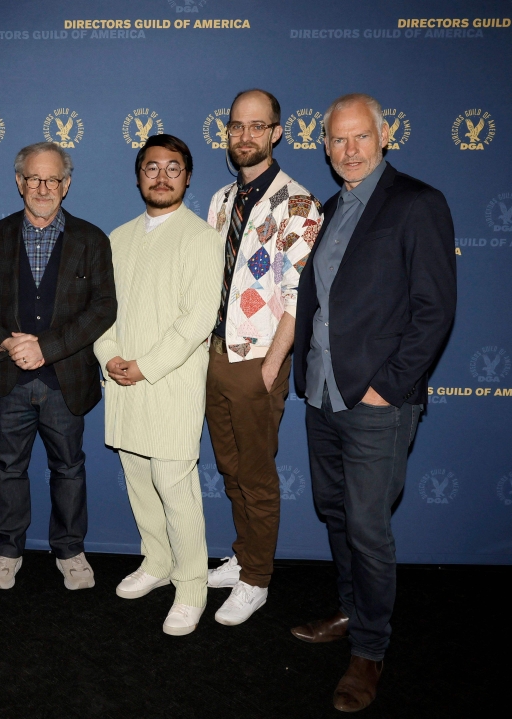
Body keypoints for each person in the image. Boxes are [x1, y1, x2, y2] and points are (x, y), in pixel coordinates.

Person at [292, 93, 457, 712]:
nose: (350, 150)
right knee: (334, 511)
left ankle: (369, 650)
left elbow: (434, 309)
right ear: (326, 147)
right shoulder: (330, 210)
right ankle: (349, 608)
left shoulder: (417, 203)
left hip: (377, 401)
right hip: (322, 393)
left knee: (367, 527)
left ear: (384, 137)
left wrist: (389, 386)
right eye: (338, 140)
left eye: (361, 137)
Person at [0, 142, 116, 590]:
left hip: (64, 379)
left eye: (53, 179)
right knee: (8, 466)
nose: (43, 188)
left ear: (66, 185)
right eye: (34, 178)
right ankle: (7, 549)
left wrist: (46, 348)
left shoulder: (91, 239)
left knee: (68, 467)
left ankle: (70, 550)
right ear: (19, 182)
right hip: (10, 377)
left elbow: (103, 308)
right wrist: (7, 344)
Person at [94, 135, 223, 636]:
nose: (162, 176)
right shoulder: (117, 238)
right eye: (152, 167)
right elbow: (100, 313)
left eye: (173, 168)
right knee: (138, 480)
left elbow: (196, 322)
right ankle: (157, 561)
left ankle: (192, 586)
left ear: (187, 177)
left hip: (171, 385)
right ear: (138, 176)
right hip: (123, 383)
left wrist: (145, 365)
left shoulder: (201, 239)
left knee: (175, 487)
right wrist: (109, 357)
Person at [204, 89, 323, 625]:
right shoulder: (221, 200)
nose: (245, 136)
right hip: (213, 356)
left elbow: (302, 298)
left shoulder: (298, 204)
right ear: (227, 131)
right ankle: (244, 554)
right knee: (229, 466)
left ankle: (257, 579)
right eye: (236, 126)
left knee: (256, 474)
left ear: (277, 132)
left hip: (258, 362)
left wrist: (273, 366)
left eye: (258, 126)